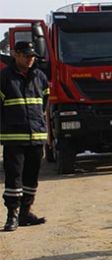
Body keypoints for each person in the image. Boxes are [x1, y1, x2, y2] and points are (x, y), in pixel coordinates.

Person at [1, 41, 48, 231]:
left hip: (36, 135)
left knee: (32, 177)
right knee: (14, 178)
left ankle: (25, 213)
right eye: (26, 55)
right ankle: (11, 215)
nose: (30, 59)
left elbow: (44, 102)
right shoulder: (4, 78)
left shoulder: (40, 76)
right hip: (14, 137)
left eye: (33, 56)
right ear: (15, 55)